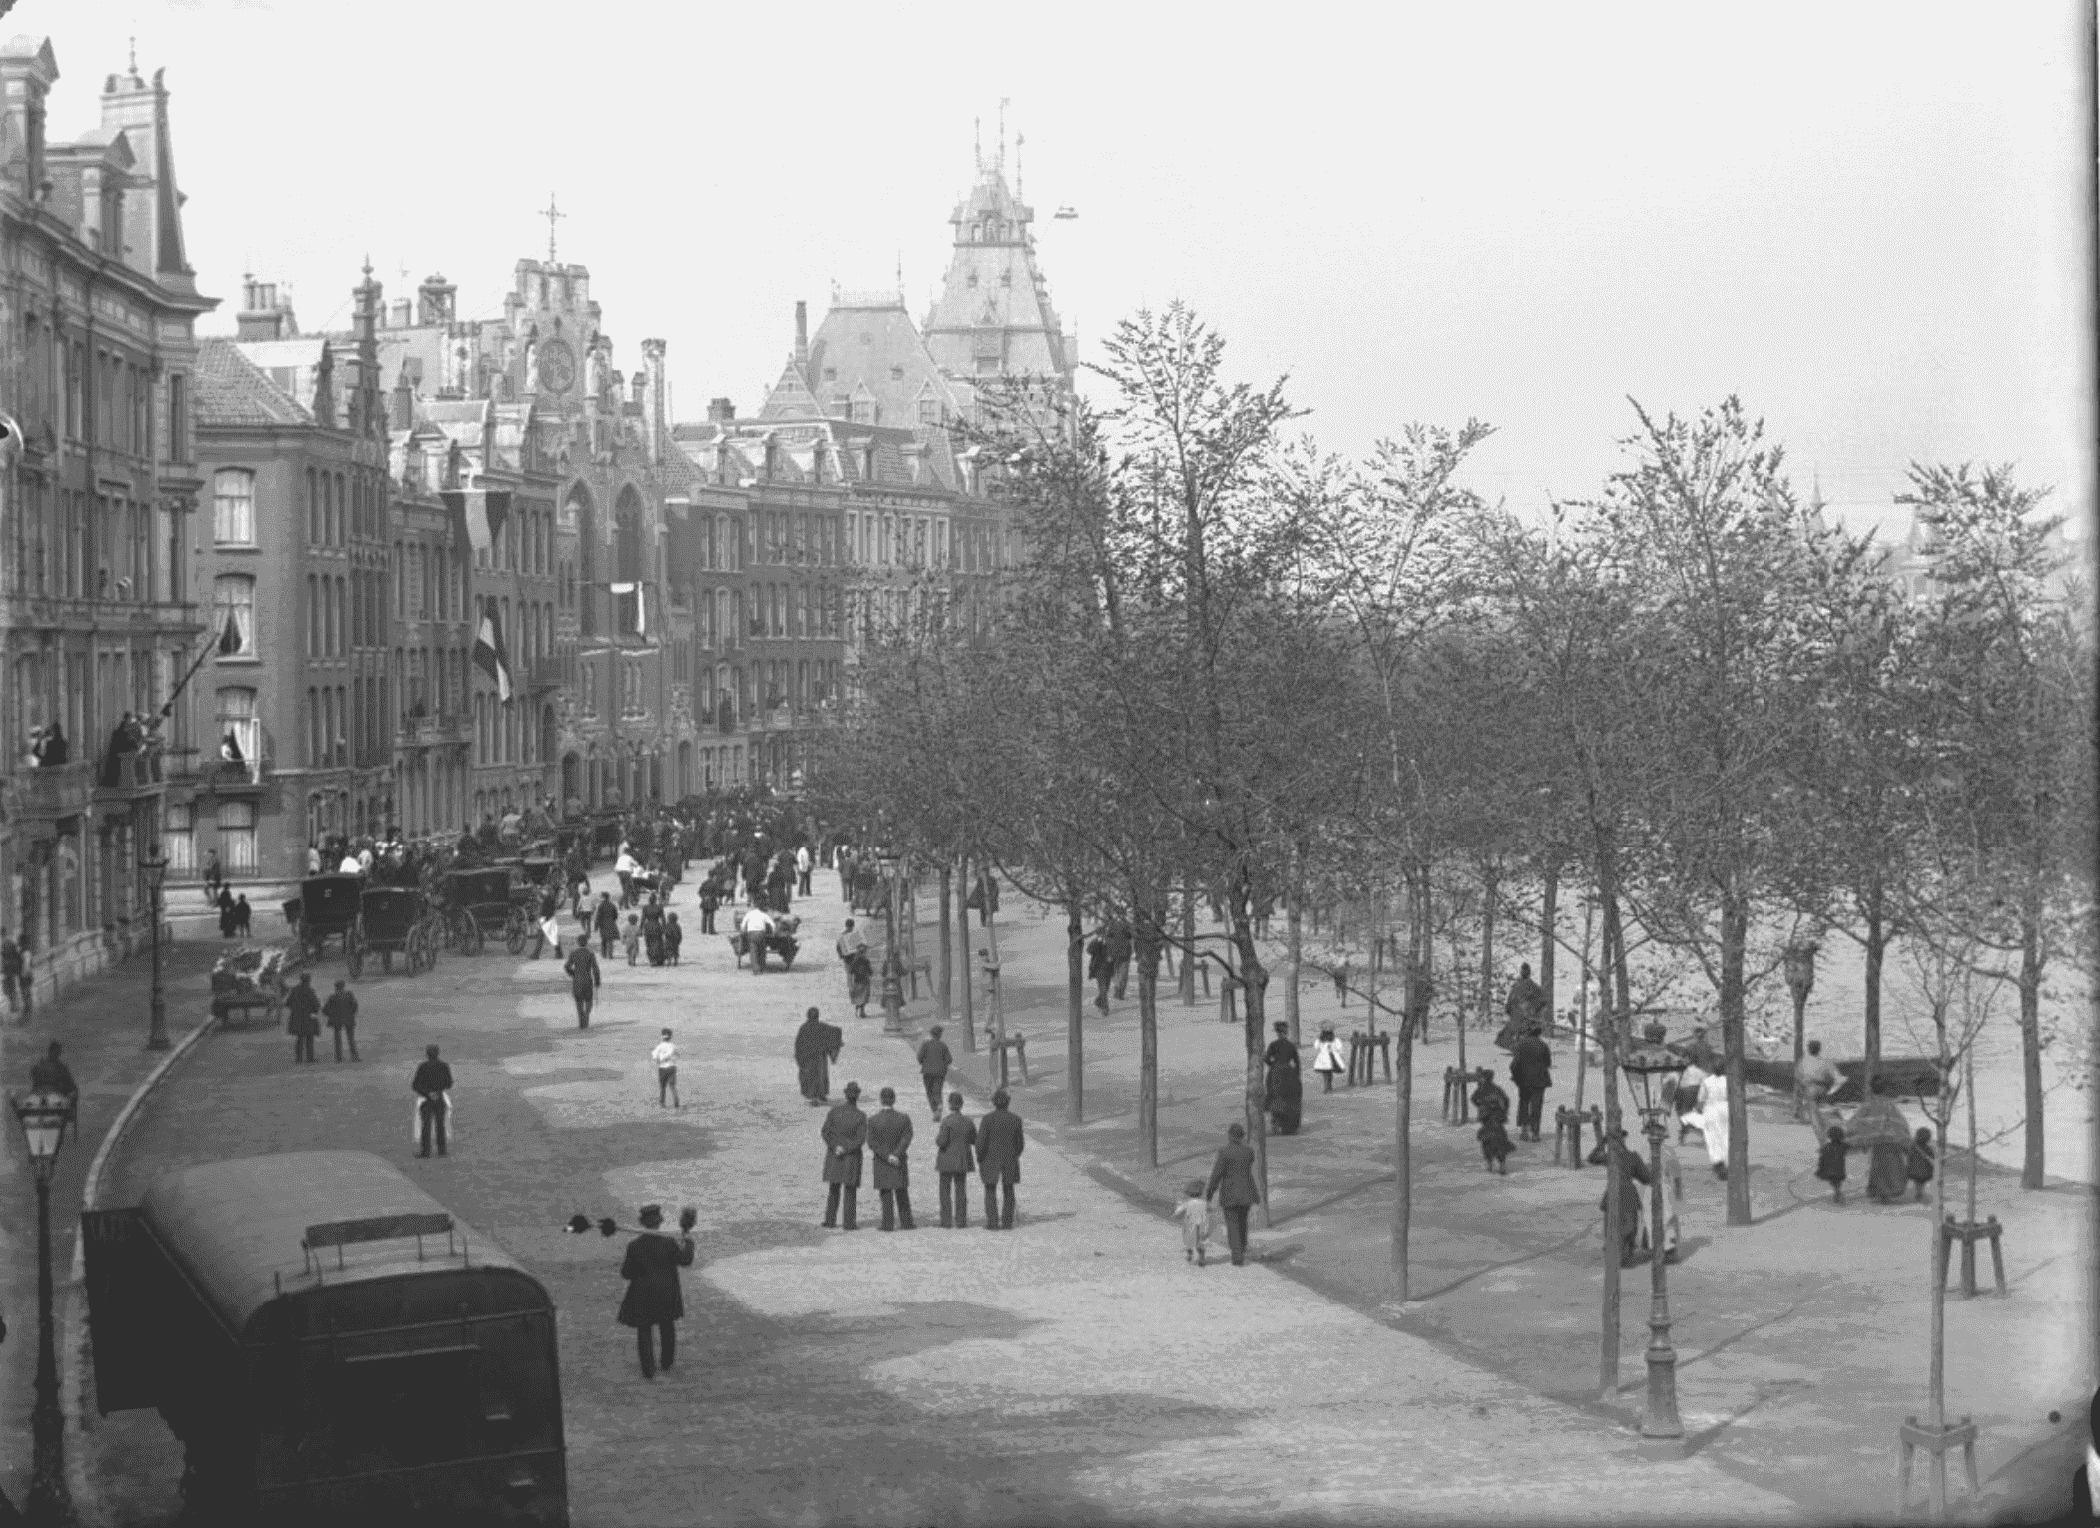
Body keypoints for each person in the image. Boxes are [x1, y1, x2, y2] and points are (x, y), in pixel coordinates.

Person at [617, 1204, 697, 1380]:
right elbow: (685, 1260)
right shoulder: (668, 1242)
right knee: (667, 1327)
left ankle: (648, 1370)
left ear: (642, 1223)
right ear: (659, 1222)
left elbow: (626, 1273)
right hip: (666, 1293)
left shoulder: (635, 1246)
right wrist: (688, 1240)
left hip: (643, 1294)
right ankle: (667, 1363)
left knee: (644, 1330)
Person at [1590, 1126, 1652, 1267]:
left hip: (1613, 1195)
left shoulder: (1611, 1157)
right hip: (1628, 1196)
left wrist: (1602, 1143)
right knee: (1628, 1227)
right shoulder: (1632, 1157)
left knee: (1614, 1227)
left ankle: (1617, 1254)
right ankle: (1624, 1255)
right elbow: (1647, 1178)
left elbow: (1592, 1158)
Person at [1205, 1123, 1262, 1267]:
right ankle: (1241, 1248)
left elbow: (1217, 1174)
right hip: (1247, 1192)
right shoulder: (1248, 1151)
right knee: (1243, 1222)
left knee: (1232, 1224)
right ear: (1242, 1136)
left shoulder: (1224, 1152)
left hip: (1230, 1193)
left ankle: (1237, 1255)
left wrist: (1210, 1193)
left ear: (1229, 1136)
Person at [866, 1087, 917, 1231]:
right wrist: (896, 1154)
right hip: (898, 1159)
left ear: (881, 1100)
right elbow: (907, 1137)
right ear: (894, 1100)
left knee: (886, 1193)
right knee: (902, 1192)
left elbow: (872, 1142)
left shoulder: (873, 1120)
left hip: (882, 1161)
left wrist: (887, 1155)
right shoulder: (903, 1118)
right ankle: (906, 1222)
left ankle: (887, 1223)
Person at [821, 1082, 869, 1230]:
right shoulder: (860, 1116)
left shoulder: (834, 1112)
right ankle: (849, 1222)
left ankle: (830, 1220)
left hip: (835, 1155)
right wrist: (846, 1148)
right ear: (857, 1096)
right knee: (850, 1191)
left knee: (833, 1189)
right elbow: (860, 1139)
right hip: (851, 1157)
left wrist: (836, 1147)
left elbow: (825, 1132)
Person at [977, 1089, 1025, 1231]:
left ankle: (992, 1221)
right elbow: (1020, 1144)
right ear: (1008, 1103)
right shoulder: (1016, 1120)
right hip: (1009, 1158)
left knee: (990, 1189)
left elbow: (981, 1142)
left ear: (994, 1103)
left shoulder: (987, 1119)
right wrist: (1014, 1154)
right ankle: (1007, 1221)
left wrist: (980, 1157)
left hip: (990, 1159)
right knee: (1009, 1190)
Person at [934, 1091, 977, 1228]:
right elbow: (974, 1140)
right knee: (961, 1191)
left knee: (944, 1191)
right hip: (962, 1159)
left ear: (950, 1105)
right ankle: (961, 1220)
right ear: (961, 1105)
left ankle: (946, 1220)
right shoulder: (968, 1121)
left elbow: (941, 1141)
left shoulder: (947, 1121)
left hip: (946, 1159)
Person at [1509, 1025, 1553, 1142]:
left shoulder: (1520, 1045)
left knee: (1523, 1103)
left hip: (1523, 1081)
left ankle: (1524, 1130)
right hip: (1539, 1080)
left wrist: (1516, 1077)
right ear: (1539, 1033)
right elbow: (1548, 1063)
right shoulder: (1543, 1045)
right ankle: (1535, 1133)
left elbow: (1514, 1065)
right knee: (1536, 1106)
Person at [795, 1006, 843, 1104]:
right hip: (820, 1057)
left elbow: (798, 1044)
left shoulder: (804, 1028)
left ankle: (813, 1098)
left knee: (810, 1077)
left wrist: (799, 1058)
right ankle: (821, 1095)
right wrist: (836, 1045)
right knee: (821, 1076)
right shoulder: (822, 1027)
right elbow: (837, 1031)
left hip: (808, 1058)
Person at [412, 1045, 453, 1158]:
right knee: (440, 1125)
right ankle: (442, 1150)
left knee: (426, 1126)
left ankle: (426, 1151)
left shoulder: (423, 1067)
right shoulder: (444, 1066)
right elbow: (449, 1083)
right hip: (439, 1098)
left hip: (426, 1099)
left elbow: (415, 1085)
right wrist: (438, 1091)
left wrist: (428, 1093)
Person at [1263, 1022, 1303, 1136]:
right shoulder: (1291, 1045)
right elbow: (1297, 1063)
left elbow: (1266, 1059)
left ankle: (1276, 1124)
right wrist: (1296, 1076)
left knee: (1274, 1096)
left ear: (1277, 1033)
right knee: (1291, 1099)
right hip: (1289, 1073)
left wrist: (1273, 1065)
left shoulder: (1273, 1045)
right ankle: (1289, 1126)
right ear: (1286, 1032)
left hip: (1275, 1073)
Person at [28, 1043, 77, 1131]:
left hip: (55, 1099)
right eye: (56, 1052)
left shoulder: (62, 1068)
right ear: (50, 1052)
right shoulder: (41, 1065)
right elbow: (34, 1077)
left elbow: (72, 1087)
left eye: (58, 1053)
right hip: (44, 1098)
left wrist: (73, 1095)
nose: (57, 1055)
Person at [1498, 962, 1546, 1050]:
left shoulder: (1533, 986)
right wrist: (1508, 1008)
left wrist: (1535, 1011)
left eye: (1525, 971)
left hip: (1527, 1014)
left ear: (1528, 972)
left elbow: (1542, 1001)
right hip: (1518, 1013)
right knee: (1515, 1030)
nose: (1523, 973)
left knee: (1525, 1030)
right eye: (1522, 971)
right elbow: (1511, 997)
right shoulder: (1517, 984)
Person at [1795, 1039, 1844, 1124]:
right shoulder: (1826, 1061)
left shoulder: (1803, 1061)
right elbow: (1837, 1077)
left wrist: (1805, 1082)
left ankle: (1798, 1111)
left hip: (1810, 1089)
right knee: (1812, 1096)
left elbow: (1798, 1076)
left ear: (1809, 1049)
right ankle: (1808, 1112)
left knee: (1800, 1088)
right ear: (1819, 1049)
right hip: (1822, 1089)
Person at [1695, 1066, 1730, 1178]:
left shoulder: (1707, 1081)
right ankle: (1726, 1162)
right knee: (1725, 1136)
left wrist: (1699, 1109)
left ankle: (1718, 1163)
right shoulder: (1729, 1080)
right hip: (1725, 1108)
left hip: (1710, 1109)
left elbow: (1701, 1098)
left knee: (1712, 1138)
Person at [565, 936, 602, 1028]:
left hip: (577, 981)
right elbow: (595, 969)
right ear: (586, 942)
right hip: (587, 980)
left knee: (579, 1001)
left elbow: (567, 966)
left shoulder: (574, 953)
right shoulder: (590, 954)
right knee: (588, 1000)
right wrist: (597, 981)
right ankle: (586, 1016)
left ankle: (581, 1019)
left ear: (578, 942)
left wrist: (573, 974)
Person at [917, 1026, 953, 1117]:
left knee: (929, 1092)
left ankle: (935, 1110)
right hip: (940, 1073)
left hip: (927, 1072)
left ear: (931, 1034)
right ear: (940, 1035)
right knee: (937, 1091)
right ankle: (939, 1104)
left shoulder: (926, 1045)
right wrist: (943, 1066)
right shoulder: (943, 1045)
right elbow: (949, 1059)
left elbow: (919, 1058)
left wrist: (924, 1063)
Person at [322, 979, 360, 1062]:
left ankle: (338, 1057)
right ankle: (354, 1057)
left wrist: (331, 1015)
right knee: (351, 1039)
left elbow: (325, 1010)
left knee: (337, 1039)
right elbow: (355, 1006)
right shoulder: (349, 995)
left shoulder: (333, 997)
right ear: (343, 987)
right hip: (348, 1019)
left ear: (336, 988)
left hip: (337, 1020)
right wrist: (351, 1014)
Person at [287, 975, 322, 1063]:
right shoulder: (310, 990)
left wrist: (295, 1009)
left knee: (299, 1038)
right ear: (309, 981)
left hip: (297, 1017)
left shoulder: (295, 990)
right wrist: (314, 1011)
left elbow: (288, 1003)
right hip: (308, 1017)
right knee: (309, 1038)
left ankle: (299, 1058)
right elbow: (316, 1004)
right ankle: (310, 1058)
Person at [1815, 1124, 1848, 1204]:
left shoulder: (1826, 1147)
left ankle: (1838, 1194)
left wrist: (1820, 1169)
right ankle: (1837, 1195)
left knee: (1834, 1183)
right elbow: (1852, 1146)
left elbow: (1822, 1159)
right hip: (1840, 1170)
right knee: (1837, 1182)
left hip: (1829, 1171)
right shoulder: (1843, 1146)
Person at [1310, 1025, 1345, 1092]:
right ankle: (1328, 1086)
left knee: (1325, 1073)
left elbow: (1316, 1047)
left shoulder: (1320, 1040)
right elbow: (1340, 1048)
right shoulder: (1335, 1039)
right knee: (1329, 1072)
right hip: (1332, 1057)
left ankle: (1327, 1087)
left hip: (1323, 1057)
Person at [2, 934, 29, 1022]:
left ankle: (20, 1015)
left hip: (13, 974)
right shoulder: (12, 945)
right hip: (14, 974)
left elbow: (23, 963)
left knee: (14, 993)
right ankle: (20, 1015)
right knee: (14, 993)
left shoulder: (8, 944)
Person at [1906, 1126, 1936, 1202]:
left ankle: (1918, 1193)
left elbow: (1909, 1156)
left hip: (1914, 1169)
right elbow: (1932, 1157)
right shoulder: (1928, 1148)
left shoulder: (1913, 1146)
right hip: (1925, 1170)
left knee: (1917, 1182)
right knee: (1922, 1183)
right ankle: (1919, 1194)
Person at [652, 1029, 680, 1108]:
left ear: (662, 1036)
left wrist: (659, 1060)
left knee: (662, 1086)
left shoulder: (660, 1046)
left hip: (662, 1068)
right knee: (672, 1085)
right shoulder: (673, 1046)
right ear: (671, 1036)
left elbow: (654, 1055)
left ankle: (662, 1103)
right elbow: (676, 1054)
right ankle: (676, 1101)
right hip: (671, 1067)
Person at [1087, 932, 1112, 1013]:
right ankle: (1105, 1008)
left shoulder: (1111, 941)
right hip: (1099, 969)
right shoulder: (1096, 942)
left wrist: (1112, 958)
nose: (1103, 936)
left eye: (1104, 934)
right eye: (1101, 934)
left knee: (1106, 988)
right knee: (1103, 989)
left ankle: (1098, 1001)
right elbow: (1089, 950)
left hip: (1108, 969)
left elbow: (1116, 951)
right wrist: (1096, 941)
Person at [593, 893, 621, 959]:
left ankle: (604, 954)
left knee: (603, 940)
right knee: (610, 939)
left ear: (603, 897)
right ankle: (610, 955)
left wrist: (596, 926)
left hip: (603, 925)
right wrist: (612, 920)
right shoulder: (612, 905)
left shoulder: (601, 906)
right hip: (611, 923)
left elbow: (598, 917)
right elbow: (616, 915)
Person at [642, 896, 666, 966]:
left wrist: (640, 928)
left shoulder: (645, 908)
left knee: (649, 944)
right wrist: (664, 928)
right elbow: (663, 918)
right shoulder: (659, 907)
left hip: (648, 927)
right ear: (655, 900)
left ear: (649, 900)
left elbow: (643, 918)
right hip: (657, 926)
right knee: (658, 943)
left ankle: (652, 960)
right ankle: (660, 960)